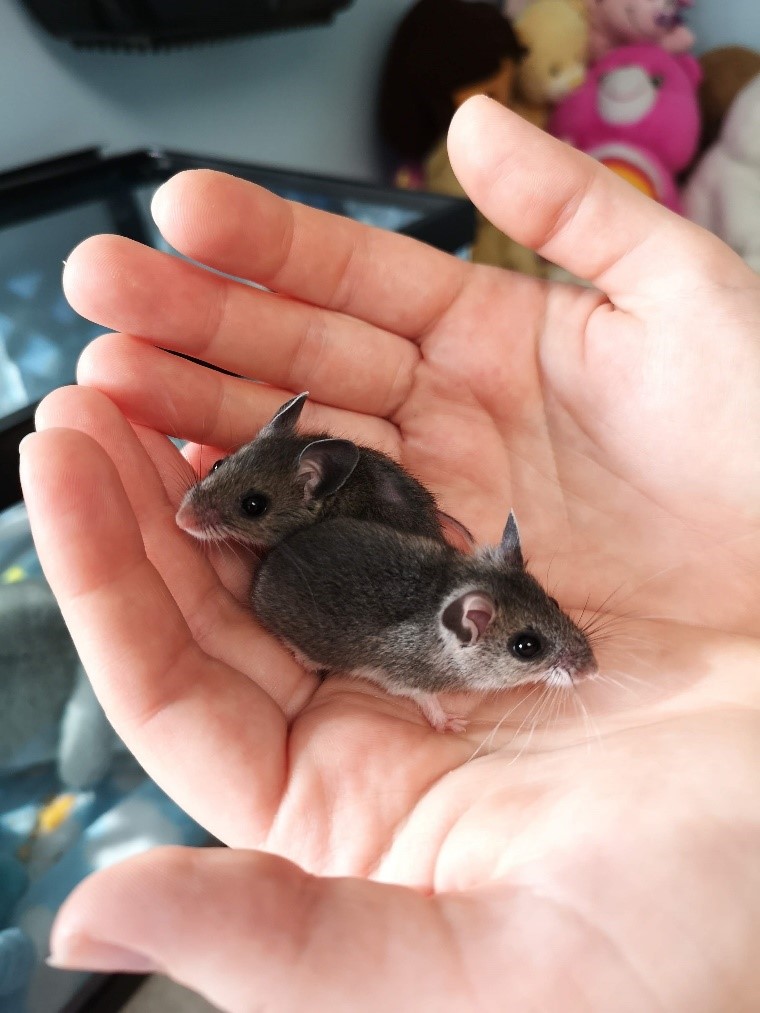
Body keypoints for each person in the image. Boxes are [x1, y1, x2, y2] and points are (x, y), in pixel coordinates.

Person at [20, 97, 760, 1011]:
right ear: (471, 627)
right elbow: (398, 654)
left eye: (538, 642)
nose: (562, 654)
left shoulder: (453, 598)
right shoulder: (436, 638)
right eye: (534, 648)